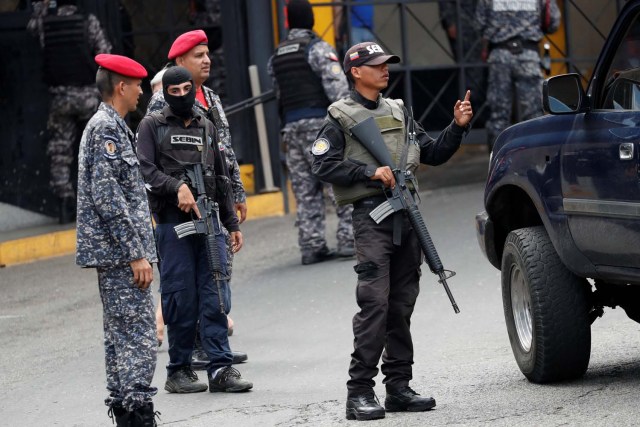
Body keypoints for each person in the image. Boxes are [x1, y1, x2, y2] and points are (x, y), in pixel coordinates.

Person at [311, 42, 473, 421]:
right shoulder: (340, 117)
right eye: (376, 65)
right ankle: (359, 393)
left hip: (407, 217)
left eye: (386, 64)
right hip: (372, 218)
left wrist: (458, 127)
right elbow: (322, 164)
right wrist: (368, 172)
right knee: (375, 305)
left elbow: (431, 153)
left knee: (401, 306)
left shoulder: (398, 110)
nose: (385, 70)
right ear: (355, 71)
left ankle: (398, 387)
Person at [136, 65, 253, 394]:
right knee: (180, 297)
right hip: (174, 226)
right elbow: (145, 171)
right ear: (165, 93)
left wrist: (231, 223)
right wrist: (176, 188)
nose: (183, 95)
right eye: (175, 91)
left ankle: (220, 368)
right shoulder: (152, 126)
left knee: (215, 294)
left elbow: (221, 177)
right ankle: (179, 369)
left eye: (187, 88)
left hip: (210, 222)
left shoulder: (207, 126)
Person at [75, 53, 158, 426]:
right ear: (121, 87)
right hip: (123, 255)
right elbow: (107, 195)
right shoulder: (106, 128)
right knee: (137, 335)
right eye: (137, 84)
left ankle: (127, 413)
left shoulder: (110, 126)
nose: (141, 91)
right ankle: (137, 414)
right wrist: (135, 253)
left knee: (120, 336)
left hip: (117, 253)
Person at [268, 0, 354, 265]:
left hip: (291, 130)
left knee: (305, 190)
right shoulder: (318, 50)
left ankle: (312, 245)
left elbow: (279, 96)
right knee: (338, 182)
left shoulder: (277, 56)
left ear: (287, 22)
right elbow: (338, 90)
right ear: (311, 20)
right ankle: (348, 238)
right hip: (319, 126)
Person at [27, 0, 112, 224]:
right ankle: (100, 200)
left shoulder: (44, 22)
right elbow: (105, 53)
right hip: (87, 94)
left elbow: (31, 28)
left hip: (60, 97)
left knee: (60, 151)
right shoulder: (88, 21)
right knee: (97, 148)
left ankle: (65, 204)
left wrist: (42, 7)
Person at [475, 0, 560, 149]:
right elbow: (553, 22)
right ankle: (537, 158)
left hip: (499, 55)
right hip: (528, 54)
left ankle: (498, 160)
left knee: (498, 115)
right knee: (534, 113)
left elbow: (479, 23)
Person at [438, 0, 486, 115]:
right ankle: (472, 112)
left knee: (480, 72)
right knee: (470, 72)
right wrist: (450, 22)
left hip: (482, 23)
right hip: (464, 24)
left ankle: (477, 112)